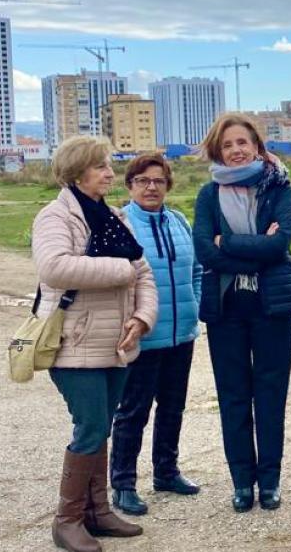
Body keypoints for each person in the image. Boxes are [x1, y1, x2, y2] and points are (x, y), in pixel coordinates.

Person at [32, 135, 158, 552]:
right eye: (101, 166)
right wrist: (120, 270)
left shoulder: (113, 217)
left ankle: (97, 511)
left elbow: (143, 273)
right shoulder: (56, 217)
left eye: (108, 165)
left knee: (101, 426)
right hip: (75, 342)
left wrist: (142, 318)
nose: (109, 173)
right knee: (89, 427)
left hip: (116, 343)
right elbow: (54, 267)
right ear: (76, 172)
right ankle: (66, 519)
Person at [192, 113, 291, 513]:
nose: (237, 150)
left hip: (272, 306)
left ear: (257, 146)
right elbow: (206, 250)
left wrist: (230, 246)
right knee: (234, 396)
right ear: (218, 151)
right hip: (227, 309)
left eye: (243, 142)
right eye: (228, 145)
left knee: (271, 395)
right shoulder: (208, 195)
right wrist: (252, 250)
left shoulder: (278, 187)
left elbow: (280, 247)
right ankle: (242, 482)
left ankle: (270, 482)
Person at [109, 153, 203, 516]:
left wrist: (194, 304)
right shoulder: (120, 222)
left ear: (168, 185)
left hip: (182, 334)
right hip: (142, 336)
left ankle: (166, 471)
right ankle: (123, 484)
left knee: (173, 407)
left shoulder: (179, 220)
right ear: (130, 185)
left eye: (159, 181)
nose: (151, 187)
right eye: (143, 180)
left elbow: (197, 269)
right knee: (133, 411)